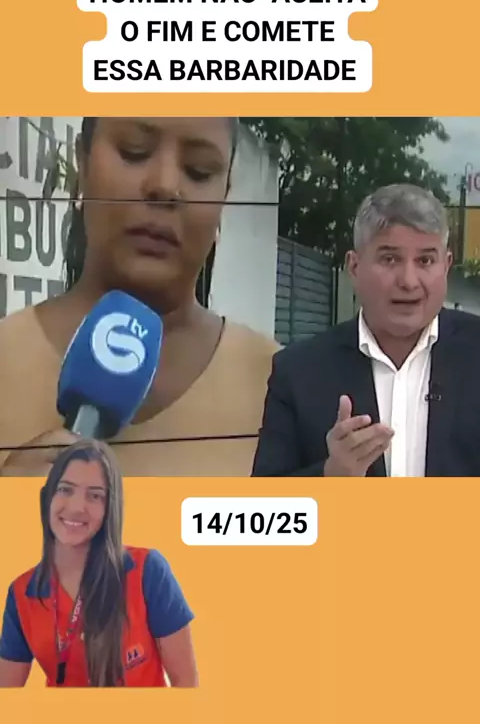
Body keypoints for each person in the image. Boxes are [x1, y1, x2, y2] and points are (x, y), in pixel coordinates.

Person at [0, 117, 280, 477]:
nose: (165, 186)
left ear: (224, 196)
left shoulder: (284, 385)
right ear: (83, 163)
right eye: (134, 151)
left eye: (198, 170)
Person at [252, 183, 480, 477]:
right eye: (390, 259)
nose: (409, 281)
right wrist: (331, 477)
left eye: (425, 260)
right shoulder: (297, 372)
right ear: (354, 266)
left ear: (446, 266)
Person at [0, 440, 198, 687]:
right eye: (65, 490)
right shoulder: (22, 593)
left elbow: (186, 684)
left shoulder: (148, 571)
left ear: (110, 508)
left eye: (94, 496)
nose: (76, 507)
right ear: (47, 498)